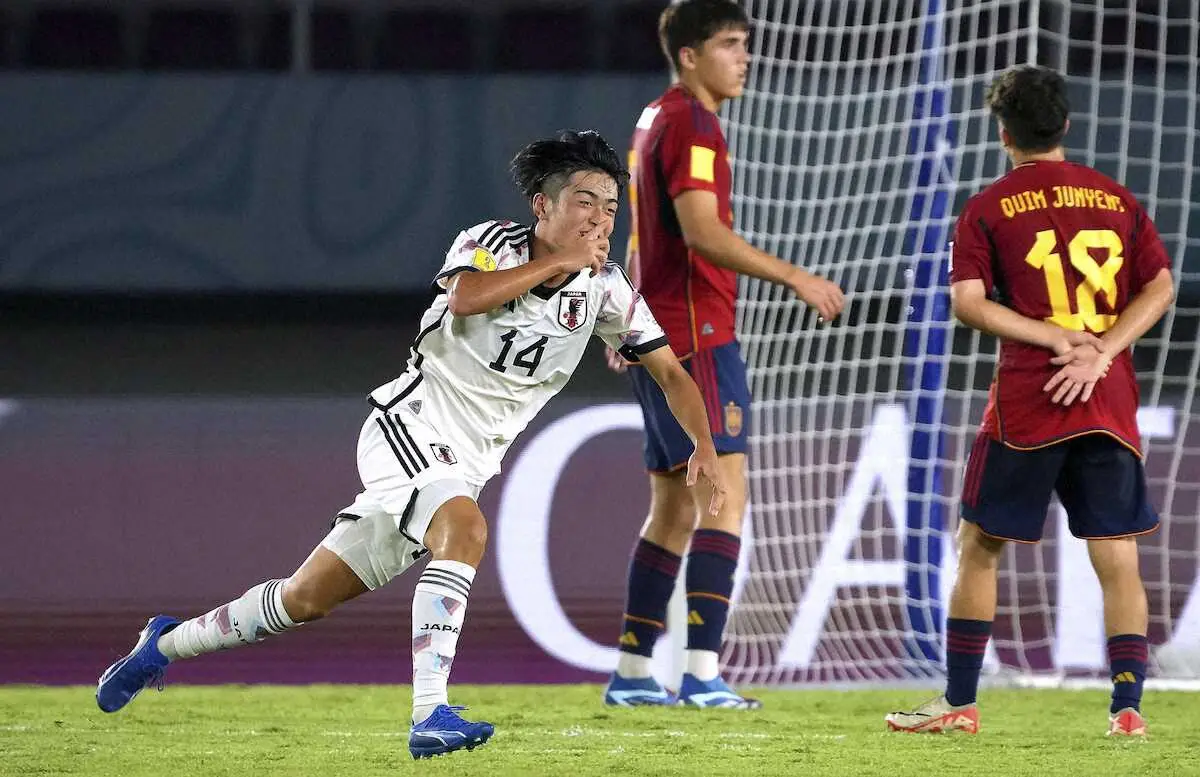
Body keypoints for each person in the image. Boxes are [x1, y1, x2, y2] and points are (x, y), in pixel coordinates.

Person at [95, 130, 729, 758]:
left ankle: (165, 644)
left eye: (612, 207)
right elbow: (464, 299)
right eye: (586, 201)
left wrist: (702, 444)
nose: (602, 218)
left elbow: (672, 372)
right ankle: (431, 712)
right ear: (543, 205)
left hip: (463, 466)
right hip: (410, 426)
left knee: (304, 598)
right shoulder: (492, 245)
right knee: (467, 529)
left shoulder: (608, 291)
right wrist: (557, 263)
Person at [885, 66, 1174, 737]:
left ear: (1003, 131)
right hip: (1107, 399)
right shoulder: (1117, 199)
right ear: (1065, 125)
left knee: (980, 545)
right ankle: (1128, 709)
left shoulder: (987, 206)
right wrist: (1101, 351)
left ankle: (958, 700)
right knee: (1117, 551)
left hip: (1028, 401)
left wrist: (1057, 339)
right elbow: (1159, 286)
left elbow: (967, 304)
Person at [602, 0, 845, 709]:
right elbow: (701, 233)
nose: (744, 58)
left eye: (745, 44)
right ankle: (703, 672)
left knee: (672, 508)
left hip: (660, 331)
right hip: (699, 335)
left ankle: (634, 673)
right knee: (724, 497)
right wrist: (796, 274)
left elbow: (642, 232)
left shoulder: (654, 118)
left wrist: (631, 319)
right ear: (689, 55)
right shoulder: (695, 123)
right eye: (731, 45)